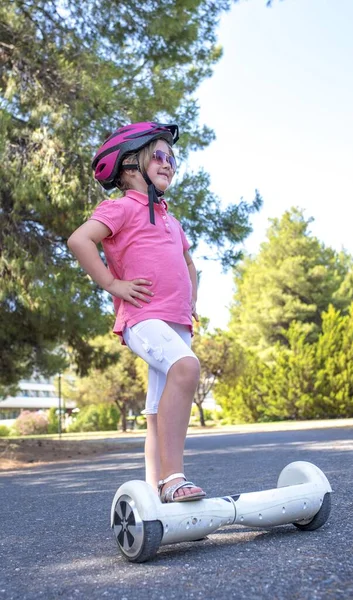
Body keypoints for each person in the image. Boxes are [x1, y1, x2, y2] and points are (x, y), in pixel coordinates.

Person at [67, 122, 205, 503]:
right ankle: (174, 478)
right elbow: (80, 240)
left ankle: (151, 494)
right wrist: (113, 284)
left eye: (173, 160)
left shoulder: (171, 220)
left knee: (158, 413)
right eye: (159, 156)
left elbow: (189, 264)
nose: (169, 164)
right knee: (186, 368)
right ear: (130, 166)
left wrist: (191, 298)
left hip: (177, 319)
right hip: (142, 318)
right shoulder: (121, 207)